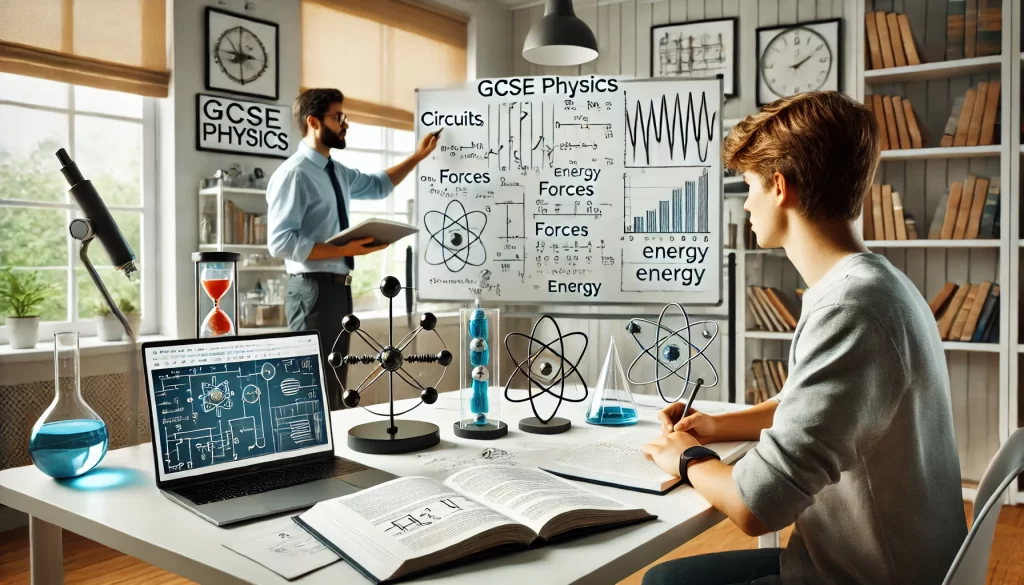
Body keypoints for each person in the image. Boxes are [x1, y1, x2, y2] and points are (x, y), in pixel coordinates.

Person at [640, 91, 967, 585]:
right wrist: (715, 427)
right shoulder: (873, 283)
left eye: (748, 185)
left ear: (779, 187)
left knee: (661, 582)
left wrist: (684, 458)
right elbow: (817, 408)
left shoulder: (848, 308)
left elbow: (758, 507)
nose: (746, 203)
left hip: (866, 575)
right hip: (871, 559)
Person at [267, 88, 438, 409]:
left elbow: (378, 186)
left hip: (337, 292)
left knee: (335, 383)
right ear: (314, 121)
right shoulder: (294, 174)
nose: (346, 124)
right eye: (338, 117)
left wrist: (417, 157)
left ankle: (334, 459)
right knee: (310, 387)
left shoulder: (337, 172)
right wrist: (348, 250)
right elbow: (280, 242)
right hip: (311, 291)